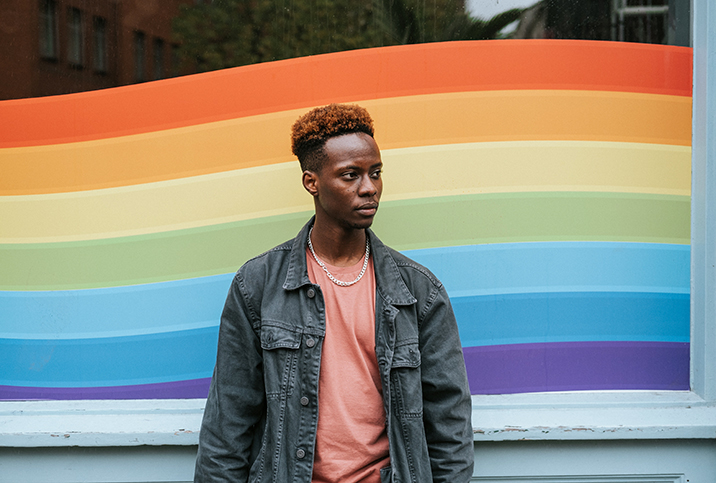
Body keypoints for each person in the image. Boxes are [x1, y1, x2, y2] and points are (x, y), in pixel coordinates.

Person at [194, 103, 473, 483]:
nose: (369, 187)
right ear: (312, 182)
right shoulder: (258, 285)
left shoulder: (418, 292)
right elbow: (229, 421)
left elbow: (449, 419)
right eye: (350, 175)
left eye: (375, 173)